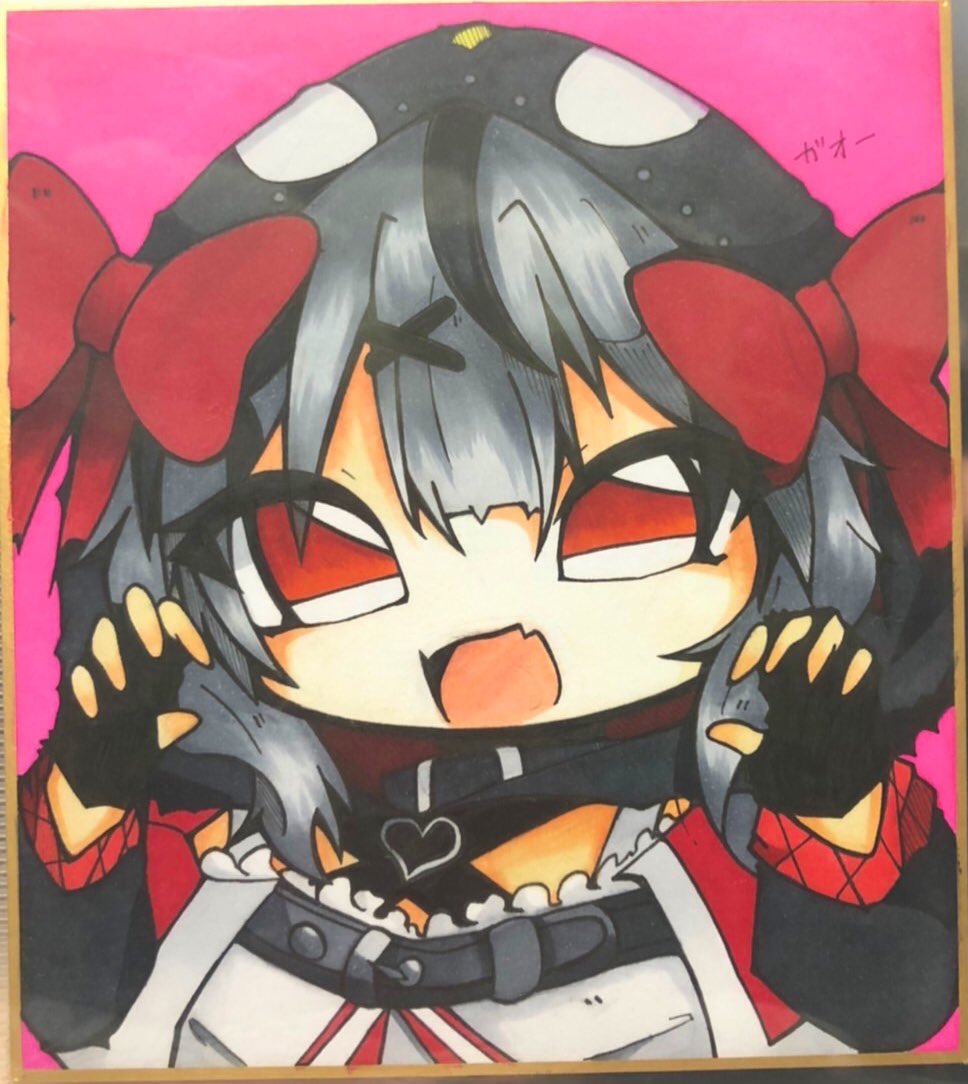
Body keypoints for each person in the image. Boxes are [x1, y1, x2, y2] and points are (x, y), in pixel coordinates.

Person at [12, 22, 957, 1068]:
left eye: (627, 511)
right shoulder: (210, 847)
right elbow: (64, 1013)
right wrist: (93, 787)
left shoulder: (729, 840)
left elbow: (894, 1014)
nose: (491, 640)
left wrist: (829, 802)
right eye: (323, 549)